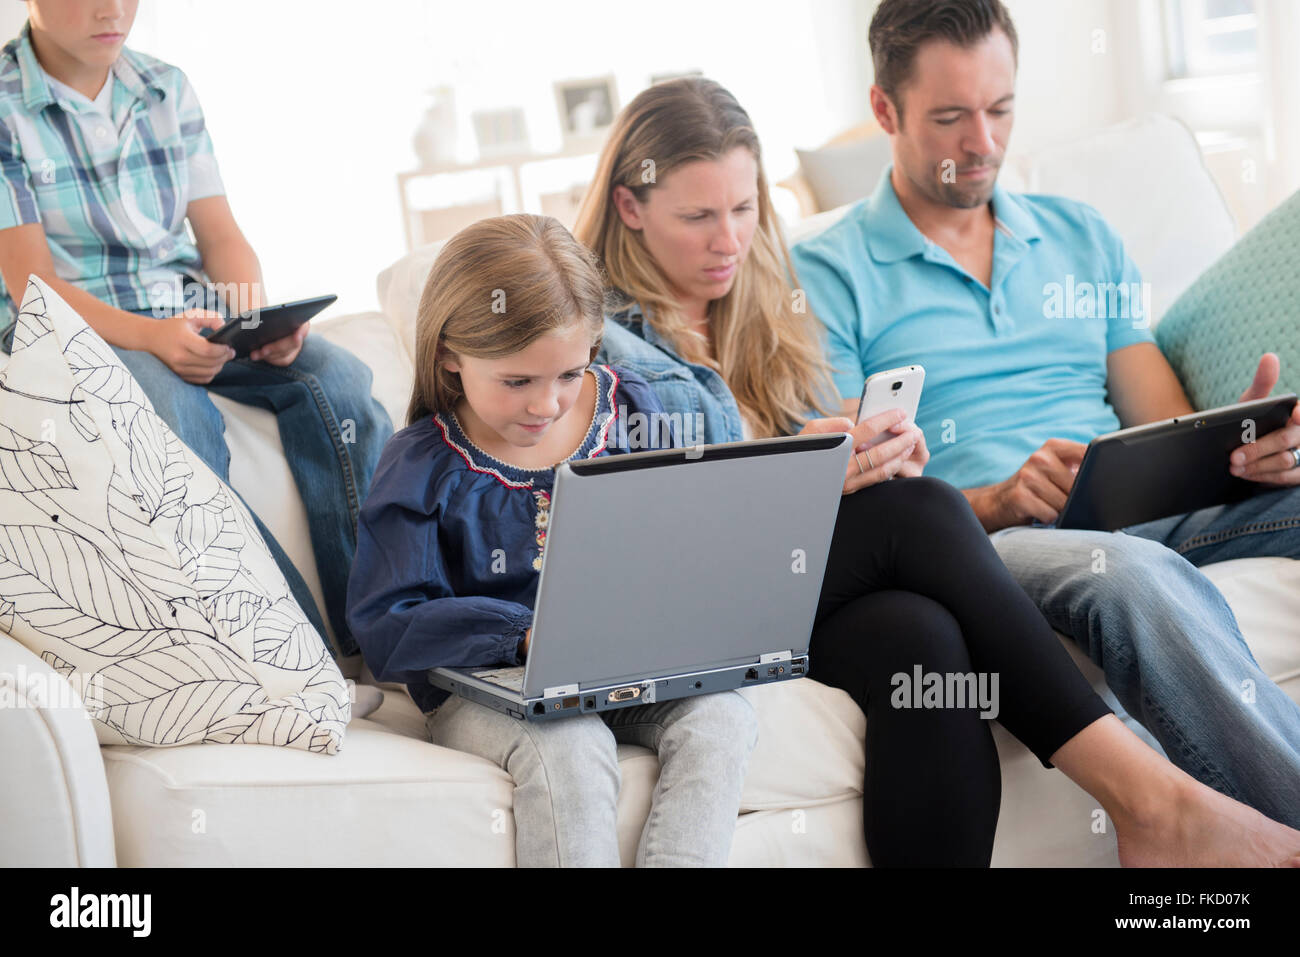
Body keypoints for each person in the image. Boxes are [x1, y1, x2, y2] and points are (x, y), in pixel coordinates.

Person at [573, 74, 1300, 866]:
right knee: (920, 514)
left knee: (921, 640)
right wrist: (810, 485)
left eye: (744, 210)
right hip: (690, 594)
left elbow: (814, 486)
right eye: (698, 216)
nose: (729, 240)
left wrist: (863, 460)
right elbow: (629, 517)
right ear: (630, 206)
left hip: (790, 583)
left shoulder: (765, 314)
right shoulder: (596, 341)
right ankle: (1151, 803)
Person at [789, 0, 1300, 828]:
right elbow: (864, 488)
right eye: (951, 117)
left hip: (1136, 509)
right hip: (994, 545)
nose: (983, 143)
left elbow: (1159, 420)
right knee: (1129, 576)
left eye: (1000, 110)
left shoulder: (1081, 236)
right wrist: (996, 497)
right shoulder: (824, 272)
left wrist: (1235, 448)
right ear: (886, 110)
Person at [346, 214, 759, 867]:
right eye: (518, 381)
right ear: (451, 356)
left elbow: (688, 537)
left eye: (571, 373)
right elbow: (389, 625)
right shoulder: (422, 464)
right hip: (484, 684)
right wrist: (523, 635)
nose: (548, 404)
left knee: (722, 716)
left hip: (622, 664)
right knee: (568, 741)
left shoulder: (636, 412)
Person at [0, 0, 392, 655]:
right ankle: (291, 650)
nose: (112, 10)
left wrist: (255, 319)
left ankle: (373, 634)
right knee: (175, 410)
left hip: (187, 315)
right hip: (71, 331)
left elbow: (222, 237)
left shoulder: (165, 87)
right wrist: (152, 337)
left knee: (337, 376)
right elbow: (36, 288)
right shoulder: (8, 107)